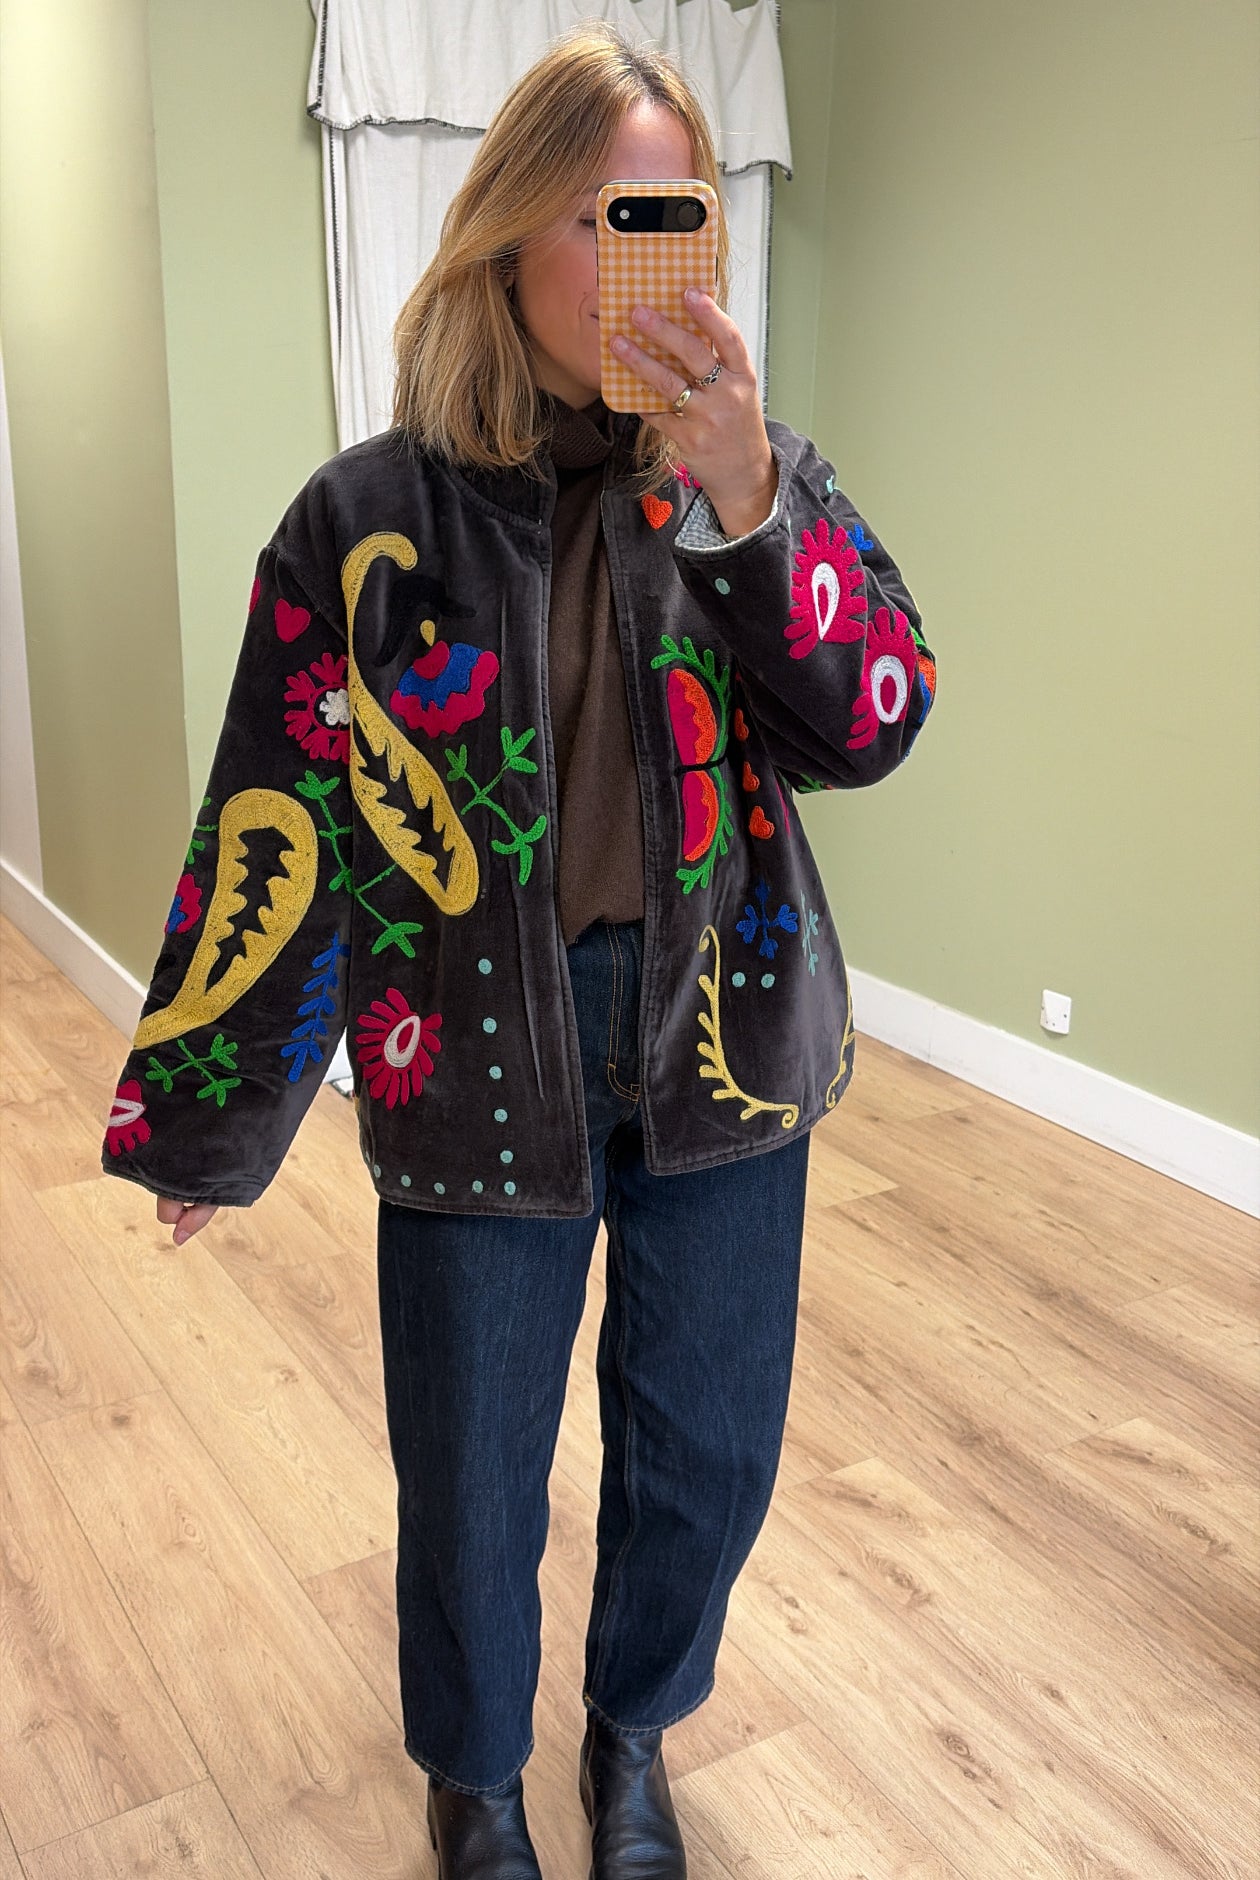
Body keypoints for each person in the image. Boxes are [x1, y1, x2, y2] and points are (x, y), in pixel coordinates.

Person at [100, 21, 935, 1878]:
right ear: (506, 236)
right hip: (476, 1047)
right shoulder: (366, 519)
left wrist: (749, 506)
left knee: (706, 1445)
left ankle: (633, 1737)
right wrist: (212, 1118)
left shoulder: (752, 481)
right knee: (472, 1464)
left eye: (682, 213)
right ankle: (474, 1775)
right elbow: (283, 817)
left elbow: (874, 722)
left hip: (724, 1038)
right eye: (610, 217)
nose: (659, 260)